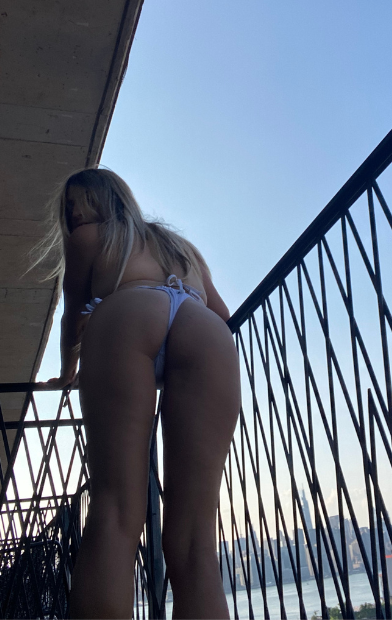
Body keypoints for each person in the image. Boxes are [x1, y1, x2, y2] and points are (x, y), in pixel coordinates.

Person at [30, 168, 238, 618]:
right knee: (196, 535)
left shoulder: (89, 238)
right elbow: (222, 314)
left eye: (76, 203)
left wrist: (68, 371)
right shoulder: (180, 246)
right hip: (204, 331)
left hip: (128, 315)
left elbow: (72, 313)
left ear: (103, 200)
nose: (73, 214)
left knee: (116, 510)